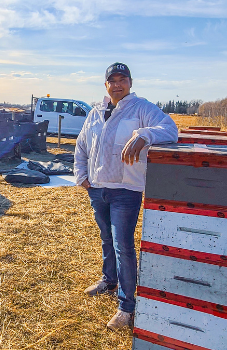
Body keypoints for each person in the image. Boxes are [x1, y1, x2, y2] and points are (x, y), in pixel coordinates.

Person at [74, 62, 178, 330]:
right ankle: (109, 280)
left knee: (123, 245)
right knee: (106, 238)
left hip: (125, 191)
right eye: (113, 80)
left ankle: (126, 307)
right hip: (97, 188)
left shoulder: (141, 108)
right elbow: (82, 145)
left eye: (123, 79)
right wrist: (82, 175)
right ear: (105, 84)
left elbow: (170, 129)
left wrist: (145, 134)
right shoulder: (95, 112)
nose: (118, 84)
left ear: (130, 83)